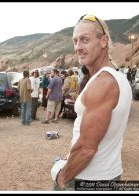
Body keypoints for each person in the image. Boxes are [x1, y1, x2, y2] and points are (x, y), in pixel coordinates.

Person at [51, 14, 132, 191]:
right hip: (105, 174)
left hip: (87, 179)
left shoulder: (104, 82)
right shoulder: (115, 77)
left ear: (104, 41)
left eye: (85, 40)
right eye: (75, 41)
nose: (78, 47)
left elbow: (87, 149)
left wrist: (62, 178)